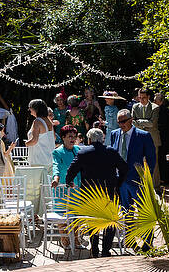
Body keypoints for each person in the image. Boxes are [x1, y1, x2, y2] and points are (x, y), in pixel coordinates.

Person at [65, 127, 127, 257]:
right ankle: (106, 250)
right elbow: (124, 168)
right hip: (108, 192)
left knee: (92, 222)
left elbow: (71, 170)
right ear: (102, 139)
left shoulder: (83, 152)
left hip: (90, 194)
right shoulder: (111, 151)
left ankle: (94, 249)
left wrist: (69, 181)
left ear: (89, 139)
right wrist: (118, 183)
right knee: (110, 221)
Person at [110, 108, 156, 206]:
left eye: (123, 121)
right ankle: (128, 221)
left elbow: (151, 158)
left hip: (136, 179)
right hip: (120, 179)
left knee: (142, 209)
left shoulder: (143, 136)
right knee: (125, 210)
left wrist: (147, 177)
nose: (121, 124)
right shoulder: (114, 134)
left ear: (131, 120)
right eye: (119, 122)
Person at [132, 89, 162, 189]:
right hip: (139, 138)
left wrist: (139, 122)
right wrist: (145, 123)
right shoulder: (135, 106)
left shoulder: (155, 107)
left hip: (152, 138)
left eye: (143, 98)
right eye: (140, 98)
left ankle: (155, 186)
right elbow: (132, 122)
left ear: (149, 97)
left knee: (154, 162)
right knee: (140, 162)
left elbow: (152, 123)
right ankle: (142, 186)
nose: (141, 100)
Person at [24, 99, 56, 173]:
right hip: (50, 158)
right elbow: (54, 138)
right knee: (48, 183)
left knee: (38, 184)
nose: (29, 110)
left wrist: (26, 143)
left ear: (35, 109)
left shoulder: (37, 122)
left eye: (30, 108)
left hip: (39, 159)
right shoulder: (49, 121)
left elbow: (34, 140)